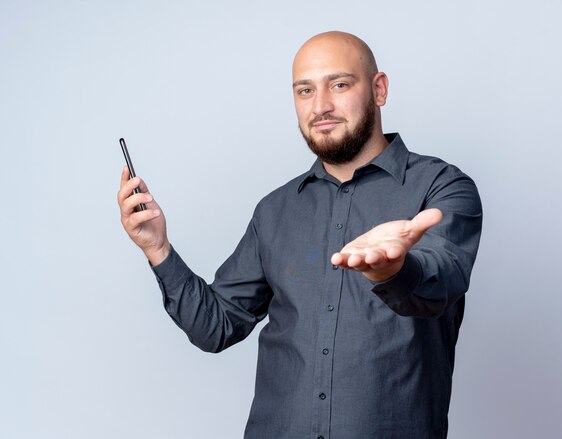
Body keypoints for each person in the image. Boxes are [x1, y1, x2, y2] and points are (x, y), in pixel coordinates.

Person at [117, 31, 482, 439]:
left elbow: (442, 280)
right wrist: (158, 247)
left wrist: (394, 270)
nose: (321, 106)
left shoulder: (441, 187)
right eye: (305, 90)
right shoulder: (274, 211)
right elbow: (216, 326)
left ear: (378, 90)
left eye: (339, 85)